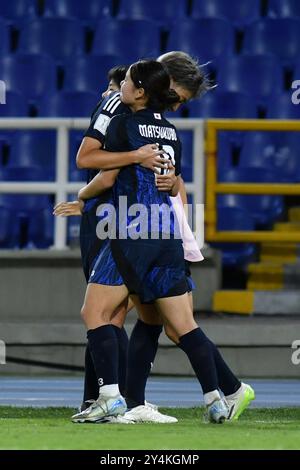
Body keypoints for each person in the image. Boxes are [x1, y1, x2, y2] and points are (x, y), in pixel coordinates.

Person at [71, 59, 254, 425]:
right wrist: (180, 226)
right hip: (140, 225)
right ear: (161, 84)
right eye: (176, 97)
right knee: (165, 321)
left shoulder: (132, 119)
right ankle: (217, 394)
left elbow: (94, 167)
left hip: (124, 223)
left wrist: (81, 197)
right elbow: (95, 156)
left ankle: (115, 400)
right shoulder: (128, 112)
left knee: (110, 313)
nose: (176, 105)